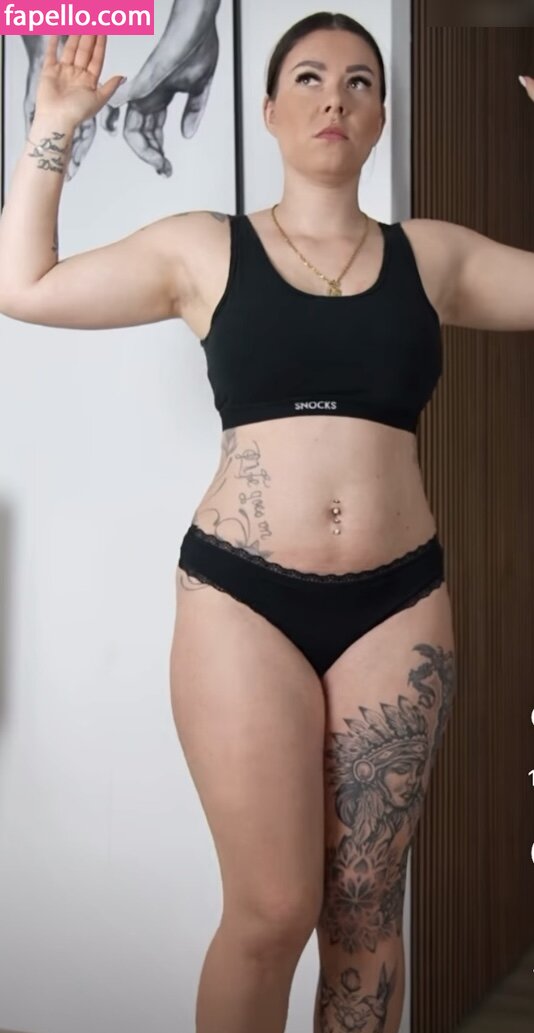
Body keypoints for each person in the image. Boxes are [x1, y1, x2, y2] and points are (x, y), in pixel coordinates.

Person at [0, 15, 461, 1033]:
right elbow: (22, 286)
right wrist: (55, 125)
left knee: (365, 915)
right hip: (242, 599)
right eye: (310, 77)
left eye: (359, 80)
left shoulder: (431, 256)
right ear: (269, 108)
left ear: (382, 115)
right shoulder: (204, 247)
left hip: (398, 603)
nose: (334, 97)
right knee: (270, 912)